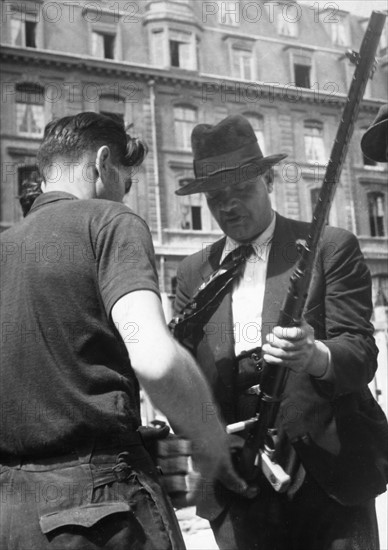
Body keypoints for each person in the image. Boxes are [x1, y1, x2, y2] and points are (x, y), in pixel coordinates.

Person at [0, 112, 252, 550]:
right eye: (126, 183)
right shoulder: (109, 221)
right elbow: (153, 355)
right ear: (102, 164)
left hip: (12, 514)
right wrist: (208, 434)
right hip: (102, 506)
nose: (124, 196)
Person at [173, 114, 388, 550]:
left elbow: (360, 351)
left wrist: (316, 355)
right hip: (239, 486)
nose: (229, 206)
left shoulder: (329, 247)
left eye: (242, 190)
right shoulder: (192, 273)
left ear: (269, 181)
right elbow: (183, 373)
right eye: (216, 197)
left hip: (329, 477)